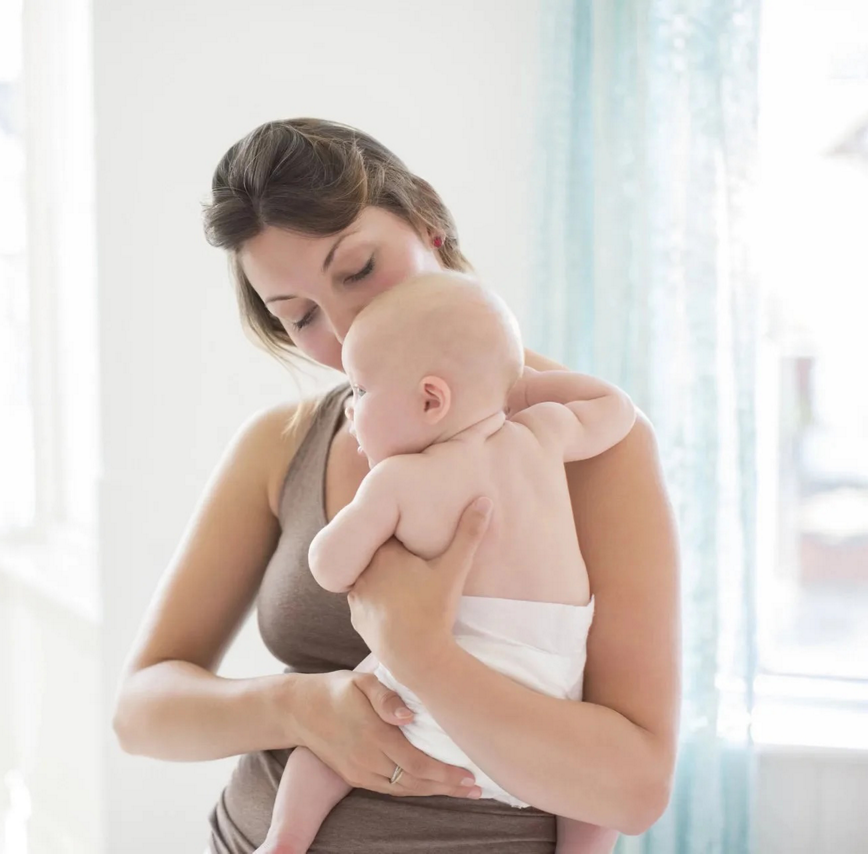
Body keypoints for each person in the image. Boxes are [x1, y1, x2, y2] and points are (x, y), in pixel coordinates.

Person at [112, 118, 679, 853]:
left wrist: (421, 658)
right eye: (301, 316)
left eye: (356, 271)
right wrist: (302, 706)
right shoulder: (280, 448)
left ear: (429, 223)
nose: (347, 328)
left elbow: (634, 789)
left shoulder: (589, 447)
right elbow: (141, 710)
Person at [256, 272, 632, 854]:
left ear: (431, 399)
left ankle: (285, 839)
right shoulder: (543, 436)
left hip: (429, 716)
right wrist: (516, 387)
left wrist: (363, 538)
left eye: (360, 391)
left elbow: (329, 568)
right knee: (589, 807)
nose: (350, 411)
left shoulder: (401, 480)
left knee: (320, 754)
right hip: (545, 715)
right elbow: (616, 406)